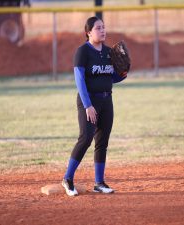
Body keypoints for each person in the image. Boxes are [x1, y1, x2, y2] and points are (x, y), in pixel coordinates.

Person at [61, 16, 127, 196]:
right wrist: (88, 105)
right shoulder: (82, 52)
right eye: (98, 28)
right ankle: (67, 178)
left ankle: (99, 182)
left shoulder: (108, 52)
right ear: (88, 32)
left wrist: (123, 73)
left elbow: (111, 77)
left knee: (102, 141)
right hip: (88, 100)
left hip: (107, 100)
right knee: (86, 138)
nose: (103, 30)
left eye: (104, 27)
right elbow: (79, 80)